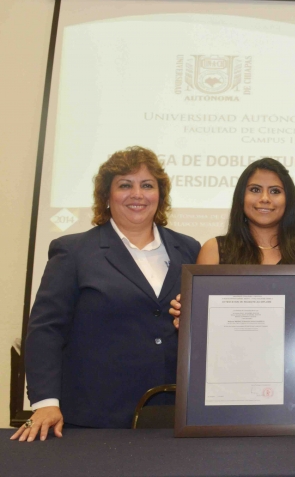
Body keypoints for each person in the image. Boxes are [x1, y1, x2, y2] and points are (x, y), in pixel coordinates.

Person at [13, 147, 200, 441]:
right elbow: (46, 329)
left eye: (147, 185)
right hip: (94, 418)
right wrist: (46, 402)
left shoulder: (189, 249)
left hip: (174, 416)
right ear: (106, 196)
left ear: (160, 195)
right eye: (125, 185)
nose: (137, 194)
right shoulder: (73, 251)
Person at [169, 157, 295, 427]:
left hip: (289, 393)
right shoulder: (215, 250)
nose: (265, 198)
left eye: (275, 191)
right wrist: (185, 318)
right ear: (241, 198)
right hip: (223, 393)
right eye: (255, 189)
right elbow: (199, 332)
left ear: (288, 201)